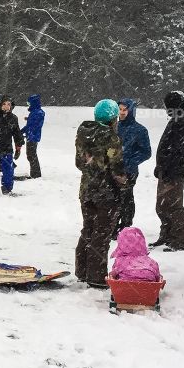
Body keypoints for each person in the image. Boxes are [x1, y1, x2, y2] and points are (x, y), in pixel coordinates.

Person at [74, 99, 128, 287]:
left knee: (88, 228)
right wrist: (124, 182)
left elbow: (79, 163)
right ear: (113, 118)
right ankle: (96, 277)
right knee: (102, 233)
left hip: (87, 189)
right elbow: (117, 168)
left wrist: (93, 166)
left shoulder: (83, 132)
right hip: (106, 194)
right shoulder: (111, 137)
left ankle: (82, 270)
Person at [152, 91, 184, 251]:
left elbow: (179, 151)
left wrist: (169, 171)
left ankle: (179, 239)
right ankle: (167, 235)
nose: (165, 109)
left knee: (173, 206)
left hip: (174, 174)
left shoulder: (182, 121)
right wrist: (161, 166)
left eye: (167, 106)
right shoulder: (176, 119)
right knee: (162, 206)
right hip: (167, 172)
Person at [116, 98, 152, 230]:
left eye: (125, 109)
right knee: (113, 198)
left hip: (129, 171)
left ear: (131, 111)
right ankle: (113, 225)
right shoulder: (114, 126)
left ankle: (125, 225)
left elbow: (146, 152)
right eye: (120, 109)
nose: (122, 112)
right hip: (113, 170)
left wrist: (130, 161)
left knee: (126, 198)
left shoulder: (140, 130)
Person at [20, 95, 46, 179]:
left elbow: (32, 126)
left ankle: (36, 174)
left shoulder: (37, 112)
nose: (28, 105)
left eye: (29, 103)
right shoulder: (35, 112)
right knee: (31, 154)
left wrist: (22, 131)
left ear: (33, 103)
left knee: (31, 155)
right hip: (31, 135)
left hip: (33, 136)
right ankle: (35, 173)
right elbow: (31, 124)